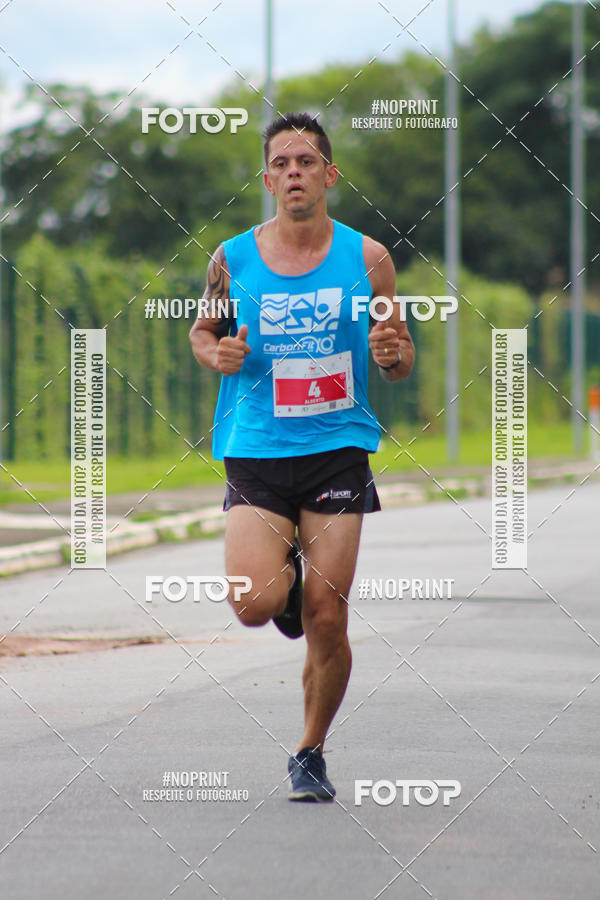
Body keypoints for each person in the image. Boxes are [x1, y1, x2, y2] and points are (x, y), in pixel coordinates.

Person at [189, 112, 414, 802]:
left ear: (329, 175)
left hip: (337, 448)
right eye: (281, 164)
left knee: (328, 615)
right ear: (267, 180)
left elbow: (399, 354)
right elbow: (203, 332)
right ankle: (283, 579)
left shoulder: (369, 258)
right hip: (257, 448)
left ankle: (310, 750)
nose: (294, 173)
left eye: (307, 161)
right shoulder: (232, 258)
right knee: (256, 604)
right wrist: (217, 354)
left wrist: (392, 354)